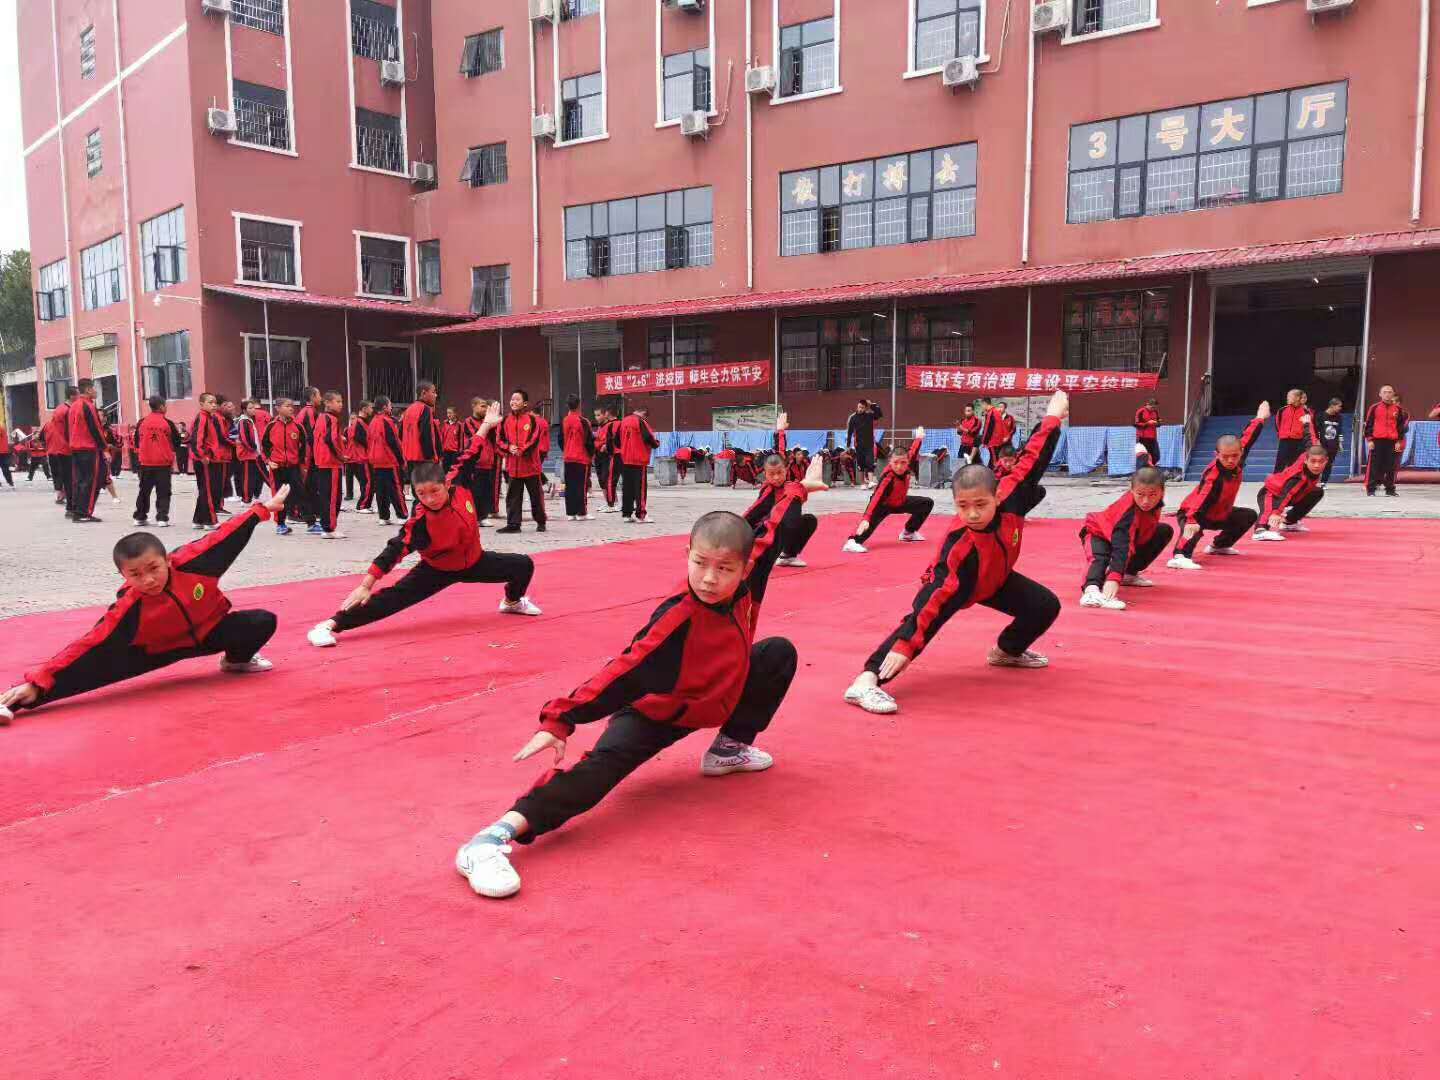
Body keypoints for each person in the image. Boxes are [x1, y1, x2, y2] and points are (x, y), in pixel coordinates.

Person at [452, 457, 827, 899]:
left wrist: (800, 488)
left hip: (719, 693)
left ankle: (728, 749)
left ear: (745, 570)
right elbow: (621, 672)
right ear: (686, 556)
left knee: (777, 654)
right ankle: (492, 839)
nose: (709, 578)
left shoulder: (748, 579)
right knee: (598, 772)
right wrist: (559, 719)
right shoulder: (675, 623)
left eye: (724, 569)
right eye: (700, 563)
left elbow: (773, 528)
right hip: (660, 711)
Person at [842, 393, 1068, 716]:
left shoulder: (1013, 495)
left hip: (997, 578)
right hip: (962, 582)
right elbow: (932, 601)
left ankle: (1007, 651)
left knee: (1046, 606)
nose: (973, 514)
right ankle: (865, 681)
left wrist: (1053, 417)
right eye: (964, 507)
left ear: (996, 497)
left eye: (981, 505)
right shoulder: (960, 548)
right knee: (920, 626)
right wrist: (905, 645)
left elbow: (1034, 456)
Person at [0, 487, 289, 725]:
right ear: (123, 576)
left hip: (209, 632)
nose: (148, 580)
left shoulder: (194, 563)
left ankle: (235, 661)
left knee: (262, 621)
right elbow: (88, 644)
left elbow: (225, 536)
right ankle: (16, 701)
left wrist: (262, 510)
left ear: (166, 560)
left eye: (153, 568)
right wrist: (38, 681)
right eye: (136, 575)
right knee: (86, 672)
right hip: (157, 649)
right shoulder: (129, 607)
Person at [306, 462, 540, 649]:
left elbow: (470, 451)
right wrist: (367, 583)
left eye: (434, 491)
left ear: (446, 485)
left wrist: (486, 426)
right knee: (389, 600)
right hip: (436, 570)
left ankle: (512, 602)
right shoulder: (420, 522)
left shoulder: (458, 485)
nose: (429, 499)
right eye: (421, 494)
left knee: (523, 565)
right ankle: (329, 625)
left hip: (475, 561)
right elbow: (395, 548)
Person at [1167, 401, 1270, 570]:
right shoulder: (1213, 476)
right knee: (1194, 528)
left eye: (1234, 456)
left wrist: (1260, 418)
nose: (1230, 460)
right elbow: (1201, 499)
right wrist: (1191, 520)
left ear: (1241, 453)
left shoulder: (1238, 457)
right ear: (1217, 455)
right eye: (1225, 457)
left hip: (1220, 513)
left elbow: (1248, 437)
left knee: (1248, 515)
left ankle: (1219, 546)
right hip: (1194, 511)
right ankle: (1179, 555)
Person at [1078, 465, 1172, 611]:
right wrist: (1114, 578)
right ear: (1132, 490)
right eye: (1140, 494)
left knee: (1163, 531)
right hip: (1098, 533)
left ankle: (1128, 574)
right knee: (1100, 558)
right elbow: (1122, 547)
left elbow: (1147, 463)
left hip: (1131, 535)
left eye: (1152, 495)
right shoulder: (1127, 513)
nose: (1146, 501)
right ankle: (1091, 591)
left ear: (1162, 492)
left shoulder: (1153, 500)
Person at [841, 428, 930, 554]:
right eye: (896, 463)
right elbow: (876, 497)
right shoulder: (888, 478)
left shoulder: (907, 462)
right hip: (883, 505)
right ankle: (852, 542)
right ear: (890, 462)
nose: (899, 466)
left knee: (926, 503)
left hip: (900, 502)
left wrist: (919, 438)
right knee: (867, 525)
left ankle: (908, 533)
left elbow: (913, 449)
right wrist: (866, 518)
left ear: (908, 462)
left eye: (903, 462)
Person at [744, 416, 817, 568]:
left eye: (780, 473)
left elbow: (781, 451)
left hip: (784, 527)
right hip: (766, 530)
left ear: (785, 469)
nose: (777, 478)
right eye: (772, 474)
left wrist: (781, 430)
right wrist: (735, 526)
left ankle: (788, 555)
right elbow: (753, 511)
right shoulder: (768, 490)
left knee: (809, 520)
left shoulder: (786, 475)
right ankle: (753, 556)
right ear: (765, 474)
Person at [496, 388, 549, 534]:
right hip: (513, 467)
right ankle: (513, 524)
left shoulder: (533, 420)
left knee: (536, 497)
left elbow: (534, 439)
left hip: (531, 466)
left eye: (517, 399)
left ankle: (541, 522)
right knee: (512, 497)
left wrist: (521, 450)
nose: (513, 402)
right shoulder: (505, 420)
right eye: (512, 399)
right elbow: (499, 440)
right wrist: (508, 448)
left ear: (525, 403)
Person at [1254, 444, 1329, 541]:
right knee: (1269, 511)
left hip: (1294, 495)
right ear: (1305, 460)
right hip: (1271, 493)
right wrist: (1276, 513)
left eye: (1320, 462)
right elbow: (1286, 494)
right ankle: (1260, 530)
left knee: (1317, 492)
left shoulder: (1312, 466)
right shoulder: (1298, 476)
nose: (1316, 465)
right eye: (1313, 461)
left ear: (1326, 461)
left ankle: (1289, 522)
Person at [133, 395, 181, 527]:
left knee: (144, 490)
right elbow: (177, 442)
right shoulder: (168, 423)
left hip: (145, 463)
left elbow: (136, 441)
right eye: (165, 405)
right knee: (163, 491)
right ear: (161, 407)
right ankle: (162, 518)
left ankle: (140, 517)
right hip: (163, 463)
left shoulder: (142, 422)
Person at [261, 398, 307, 535]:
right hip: (277, 468)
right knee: (279, 496)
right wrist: (268, 461)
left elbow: (303, 447)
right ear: (278, 408)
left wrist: (301, 463)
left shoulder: (298, 426)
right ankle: (280, 524)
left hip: (293, 466)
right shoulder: (271, 426)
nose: (291, 408)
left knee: (301, 493)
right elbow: (264, 446)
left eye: (292, 406)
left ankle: (311, 523)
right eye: (287, 406)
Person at [66, 378, 106, 523]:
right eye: (94, 388)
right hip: (88, 448)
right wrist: (104, 447)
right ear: (88, 390)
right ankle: (84, 512)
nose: (95, 391)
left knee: (80, 480)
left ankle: (77, 510)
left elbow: (68, 428)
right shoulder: (88, 405)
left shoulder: (74, 406)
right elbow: (96, 428)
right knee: (92, 480)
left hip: (75, 447)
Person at [367, 395, 408, 526]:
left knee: (381, 490)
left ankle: (383, 517)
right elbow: (394, 442)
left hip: (375, 460)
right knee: (395, 488)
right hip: (388, 459)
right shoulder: (387, 421)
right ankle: (402, 515)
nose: (391, 408)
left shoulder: (372, 421)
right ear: (385, 407)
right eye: (390, 405)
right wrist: (402, 460)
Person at [190, 393, 227, 531]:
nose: (214, 405)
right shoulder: (202, 418)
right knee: (209, 491)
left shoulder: (210, 418)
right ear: (201, 404)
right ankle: (210, 521)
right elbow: (196, 440)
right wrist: (203, 456)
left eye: (215, 403)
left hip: (210, 458)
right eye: (210, 402)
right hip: (205, 460)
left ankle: (198, 520)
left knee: (206, 490)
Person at [312, 391, 347, 539]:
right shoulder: (332, 419)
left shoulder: (321, 417)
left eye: (341, 402)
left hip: (322, 461)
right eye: (337, 401)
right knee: (333, 497)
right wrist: (341, 456)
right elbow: (330, 439)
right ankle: (330, 528)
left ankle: (326, 525)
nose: (340, 404)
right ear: (327, 403)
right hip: (331, 462)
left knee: (326, 496)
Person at [460, 397, 500, 521]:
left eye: (486, 406)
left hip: (488, 462)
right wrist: (487, 424)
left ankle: (483, 517)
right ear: (474, 406)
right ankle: (473, 517)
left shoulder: (489, 423)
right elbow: (477, 437)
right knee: (474, 491)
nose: (485, 408)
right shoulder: (468, 422)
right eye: (482, 406)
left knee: (486, 491)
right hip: (475, 463)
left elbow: (496, 438)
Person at [1363, 385, 1407, 497]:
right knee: (1374, 466)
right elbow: (1368, 424)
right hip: (1377, 441)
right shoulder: (1374, 408)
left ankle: (1390, 489)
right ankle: (1371, 489)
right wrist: (1369, 440)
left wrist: (1399, 441)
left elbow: (1400, 428)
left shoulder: (1398, 409)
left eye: (1390, 392)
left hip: (1392, 442)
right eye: (1385, 392)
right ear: (1380, 394)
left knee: (1391, 467)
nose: (1387, 394)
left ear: (1393, 394)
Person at [560, 395, 595, 521]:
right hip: (581, 457)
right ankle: (582, 513)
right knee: (581, 486)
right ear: (579, 405)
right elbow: (589, 441)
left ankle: (570, 513)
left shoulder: (565, 420)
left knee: (570, 486)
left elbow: (561, 439)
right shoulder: (584, 421)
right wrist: (592, 454)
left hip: (568, 457)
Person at [47, 386, 77, 514]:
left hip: (60, 448)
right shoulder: (66, 411)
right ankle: (71, 507)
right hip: (66, 449)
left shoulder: (60, 409)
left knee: (68, 478)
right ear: (72, 396)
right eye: (78, 395)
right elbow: (66, 431)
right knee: (71, 479)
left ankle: (70, 506)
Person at [401, 381, 440, 480]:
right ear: (423, 393)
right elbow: (426, 435)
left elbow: (401, 434)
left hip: (410, 459)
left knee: (417, 492)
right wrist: (431, 459)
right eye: (433, 392)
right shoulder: (425, 409)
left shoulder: (408, 410)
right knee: (427, 492)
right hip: (423, 459)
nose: (436, 395)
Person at [295, 386, 323, 527]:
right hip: (307, 455)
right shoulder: (309, 412)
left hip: (309, 454)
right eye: (319, 395)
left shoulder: (307, 411)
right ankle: (297, 512)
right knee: (306, 484)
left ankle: (314, 510)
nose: (321, 398)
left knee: (312, 484)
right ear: (312, 397)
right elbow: (312, 435)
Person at [1273, 389, 1318, 473]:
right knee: (1279, 464)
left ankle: (1292, 483)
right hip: (1284, 441)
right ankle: (1275, 483)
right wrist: (1282, 434)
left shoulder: (1306, 412)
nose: (1287, 398)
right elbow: (1277, 423)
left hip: (1299, 442)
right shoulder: (1282, 410)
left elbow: (1310, 428)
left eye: (1289, 396)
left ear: (1297, 398)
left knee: (1294, 465)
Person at [345, 401, 375, 512]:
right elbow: (359, 438)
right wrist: (372, 445)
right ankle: (362, 506)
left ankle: (366, 505)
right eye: (370, 407)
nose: (372, 410)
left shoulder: (363, 422)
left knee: (367, 482)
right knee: (367, 482)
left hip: (360, 457)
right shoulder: (359, 422)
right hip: (359, 457)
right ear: (364, 409)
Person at [234, 400, 266, 504]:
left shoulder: (249, 420)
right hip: (247, 454)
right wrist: (253, 449)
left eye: (254, 408)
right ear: (244, 410)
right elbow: (244, 438)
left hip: (254, 453)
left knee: (259, 475)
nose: (253, 410)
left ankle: (253, 496)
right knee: (248, 477)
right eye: (250, 408)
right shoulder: (243, 421)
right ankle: (246, 499)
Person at [846, 399, 883, 487]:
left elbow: (879, 414)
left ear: (866, 408)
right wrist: (848, 445)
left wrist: (872, 405)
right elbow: (850, 432)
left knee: (870, 462)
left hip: (869, 444)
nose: (860, 409)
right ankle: (863, 483)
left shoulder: (869, 416)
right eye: (859, 407)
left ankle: (870, 482)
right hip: (858, 445)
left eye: (862, 407)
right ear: (857, 406)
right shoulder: (853, 418)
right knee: (861, 464)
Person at [591, 407, 620, 513]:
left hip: (606, 456)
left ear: (605, 415)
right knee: (601, 480)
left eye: (598, 415)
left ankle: (614, 502)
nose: (596, 417)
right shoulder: (600, 427)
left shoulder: (610, 425)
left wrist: (603, 445)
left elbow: (608, 440)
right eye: (595, 415)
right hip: (598, 455)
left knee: (607, 479)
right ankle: (607, 502)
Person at [1316, 397, 1345, 486]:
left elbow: (1339, 431)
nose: (1340, 408)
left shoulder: (1339, 417)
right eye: (1339, 406)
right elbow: (1316, 429)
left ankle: (1323, 482)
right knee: (1318, 462)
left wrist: (1340, 444)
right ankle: (1313, 481)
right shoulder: (1321, 415)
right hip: (1322, 444)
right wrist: (1317, 441)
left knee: (1329, 464)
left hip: (1333, 445)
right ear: (1332, 406)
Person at [979, 400, 1015, 467]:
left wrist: (1007, 437)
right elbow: (987, 428)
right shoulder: (996, 414)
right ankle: (993, 471)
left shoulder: (1010, 418)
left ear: (1005, 408)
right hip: (998, 441)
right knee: (995, 458)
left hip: (1005, 442)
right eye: (999, 407)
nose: (1000, 408)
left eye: (1001, 407)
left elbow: (1013, 429)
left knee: (1002, 458)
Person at [1133, 398, 1162, 470]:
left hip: (1153, 437)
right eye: (1152, 407)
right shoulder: (1141, 411)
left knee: (1156, 456)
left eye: (1155, 407)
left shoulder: (1155, 412)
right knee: (1142, 457)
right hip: (1142, 438)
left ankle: (1149, 470)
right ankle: (1140, 473)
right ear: (1147, 404)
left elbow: (1159, 421)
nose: (1153, 409)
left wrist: (1158, 423)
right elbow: (1136, 424)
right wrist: (1147, 423)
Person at [441, 405, 463, 474]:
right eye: (447, 413)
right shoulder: (445, 423)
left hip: (454, 452)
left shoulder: (459, 425)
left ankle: (452, 484)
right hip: (446, 452)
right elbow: (442, 436)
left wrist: (460, 451)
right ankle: (445, 484)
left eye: (450, 413)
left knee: (453, 471)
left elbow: (461, 439)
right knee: (445, 470)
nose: (448, 415)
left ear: (455, 414)